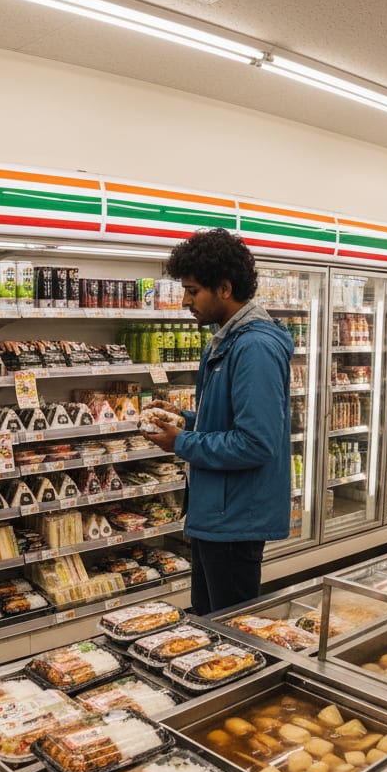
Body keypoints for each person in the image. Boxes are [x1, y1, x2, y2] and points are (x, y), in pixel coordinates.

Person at [140, 227, 294, 615]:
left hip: (236, 518)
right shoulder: (227, 339)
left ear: (224, 288)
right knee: (210, 621)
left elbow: (256, 442)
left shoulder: (254, 346)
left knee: (233, 633)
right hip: (218, 512)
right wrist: (186, 419)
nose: (186, 301)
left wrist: (181, 442)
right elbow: (228, 420)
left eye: (193, 291)